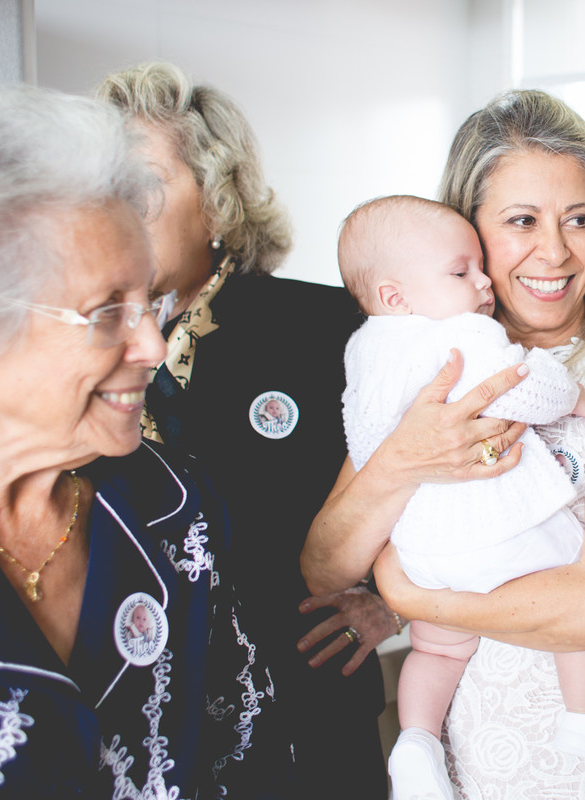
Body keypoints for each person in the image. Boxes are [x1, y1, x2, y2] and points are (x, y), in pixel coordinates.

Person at [0, 80, 295, 798]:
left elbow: (247, 757)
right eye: (107, 312)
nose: (152, 346)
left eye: (150, 302)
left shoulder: (172, 509)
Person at [302, 89, 585, 800]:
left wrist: (406, 592)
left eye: (579, 219)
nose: (556, 251)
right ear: (469, 231)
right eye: (522, 221)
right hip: (473, 763)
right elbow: (327, 568)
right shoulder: (430, 367)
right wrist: (400, 460)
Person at [94, 61, 392, 796]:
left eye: (141, 181)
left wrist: (393, 600)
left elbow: (425, 465)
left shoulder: (328, 326)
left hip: (304, 713)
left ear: (219, 200)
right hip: (143, 716)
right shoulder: (82, 341)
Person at [337, 194, 585, 799]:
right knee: (576, 606)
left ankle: (416, 741)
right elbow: (518, 390)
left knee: (435, 650)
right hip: (493, 527)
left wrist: (405, 590)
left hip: (419, 547)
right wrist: (569, 394)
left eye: (579, 219)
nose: (481, 282)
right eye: (462, 272)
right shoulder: (459, 335)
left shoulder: (363, 349)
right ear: (395, 295)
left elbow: (365, 438)